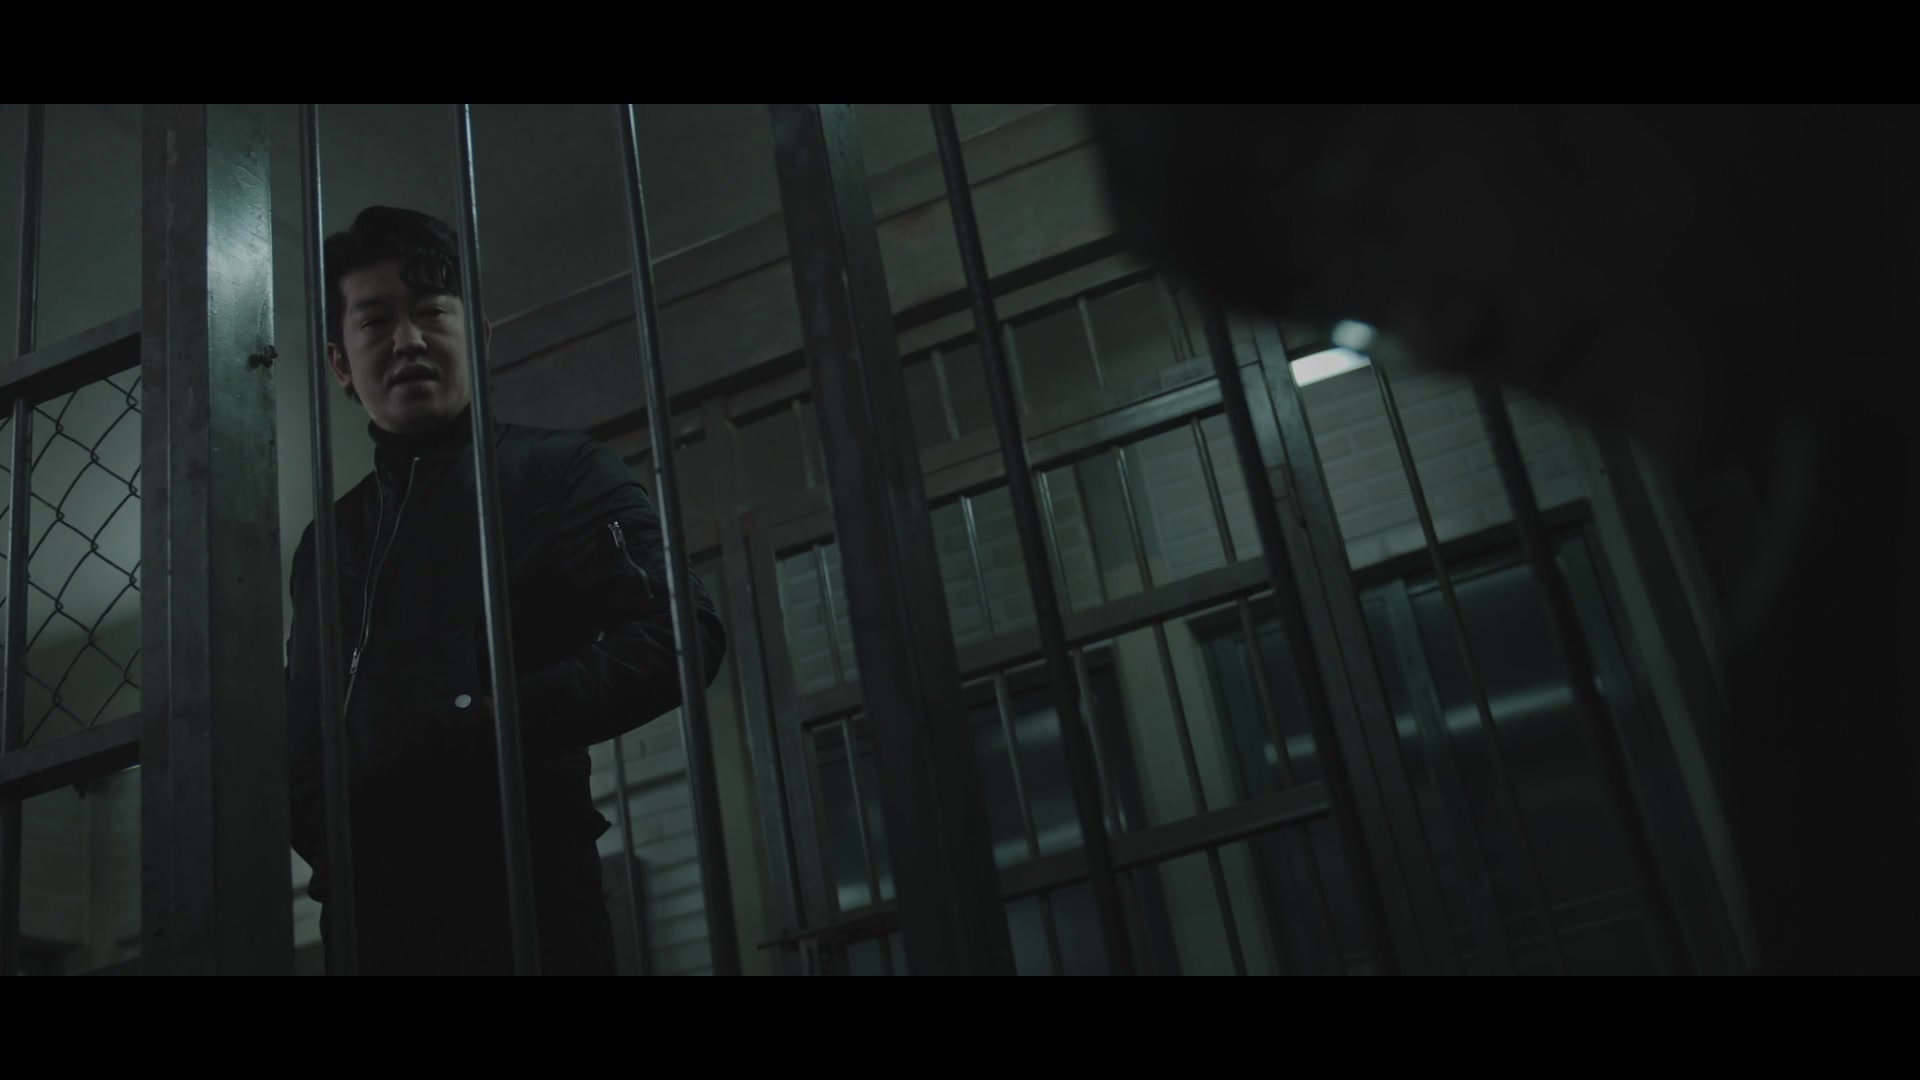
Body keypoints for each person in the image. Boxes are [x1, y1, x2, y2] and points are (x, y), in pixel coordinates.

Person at [283, 205, 727, 975]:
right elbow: (304, 722)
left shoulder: (559, 472)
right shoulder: (328, 542)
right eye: (377, 321)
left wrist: (497, 723)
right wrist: (323, 829)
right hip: (366, 925)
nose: (408, 339)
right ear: (340, 364)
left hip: (523, 901)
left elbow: (683, 630)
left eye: (431, 312)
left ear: (478, 336)